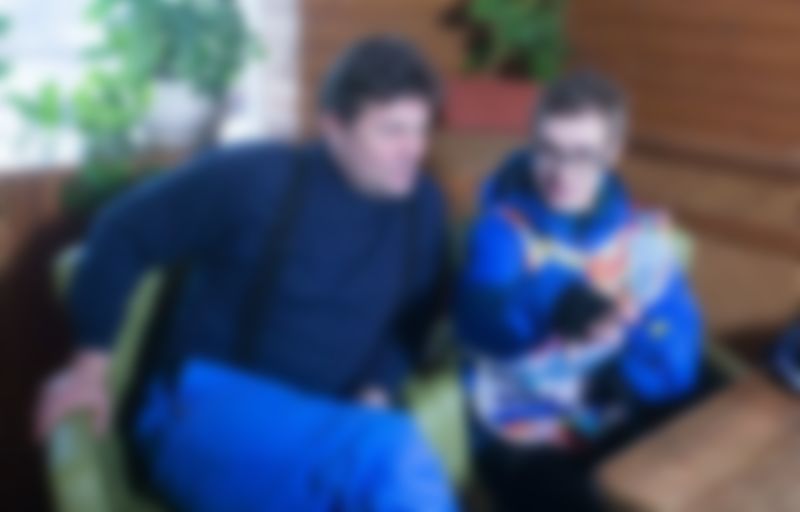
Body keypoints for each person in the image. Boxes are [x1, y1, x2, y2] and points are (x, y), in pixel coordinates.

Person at [36, 36, 457, 511]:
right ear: (334, 127)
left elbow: (411, 322)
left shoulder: (423, 206)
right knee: (393, 456)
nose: (414, 150)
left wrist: (378, 387)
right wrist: (89, 365)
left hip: (330, 428)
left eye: (421, 129)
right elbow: (123, 231)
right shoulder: (260, 177)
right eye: (392, 131)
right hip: (203, 408)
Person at [456, 70, 704, 511]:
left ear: (613, 152)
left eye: (582, 155)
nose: (561, 172)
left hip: (606, 411)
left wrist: (634, 376)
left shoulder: (641, 237)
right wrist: (557, 301)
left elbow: (678, 332)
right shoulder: (501, 230)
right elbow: (481, 316)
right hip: (519, 429)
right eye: (548, 149)